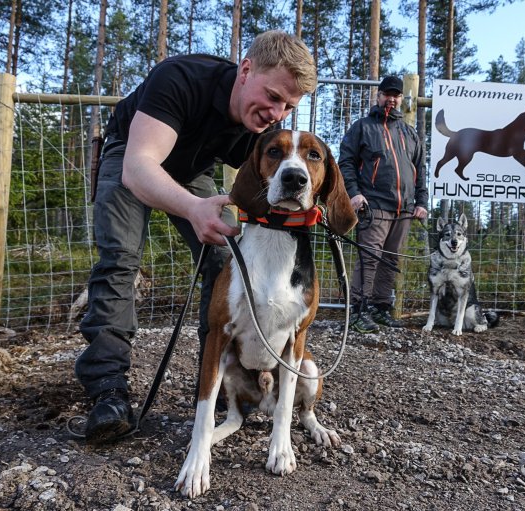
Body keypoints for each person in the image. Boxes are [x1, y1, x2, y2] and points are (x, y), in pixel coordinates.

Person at [76, 31, 317, 444]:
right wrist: (191, 208)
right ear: (245, 70)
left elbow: (270, 188)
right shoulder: (181, 78)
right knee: (120, 258)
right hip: (132, 156)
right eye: (274, 96)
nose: (277, 113)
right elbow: (139, 168)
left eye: (288, 106)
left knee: (226, 261)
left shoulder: (262, 129)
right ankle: (108, 391)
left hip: (194, 171)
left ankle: (217, 383)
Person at [338, 76, 428, 333]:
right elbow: (346, 163)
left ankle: (379, 308)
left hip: (404, 209)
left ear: (401, 98)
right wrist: (354, 193)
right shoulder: (362, 127)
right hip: (373, 205)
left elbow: (420, 170)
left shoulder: (410, 134)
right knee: (369, 258)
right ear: (378, 96)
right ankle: (357, 310)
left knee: (391, 260)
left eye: (396, 94)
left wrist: (421, 201)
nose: (392, 98)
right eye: (387, 93)